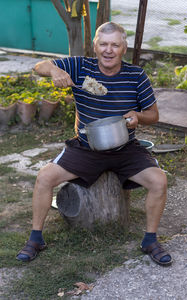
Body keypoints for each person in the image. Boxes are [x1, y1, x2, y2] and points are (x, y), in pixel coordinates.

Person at [16, 21, 172, 266]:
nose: (108, 50)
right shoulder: (80, 67)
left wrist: (138, 117)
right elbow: (39, 66)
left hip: (126, 148)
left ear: (124, 48)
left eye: (115, 45)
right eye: (103, 44)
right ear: (95, 46)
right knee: (45, 177)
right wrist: (55, 71)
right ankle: (36, 238)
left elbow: (154, 115)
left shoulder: (136, 75)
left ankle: (150, 240)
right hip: (86, 147)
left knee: (159, 180)